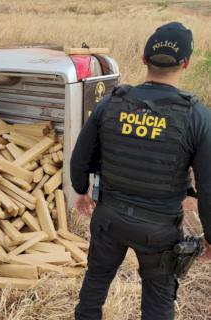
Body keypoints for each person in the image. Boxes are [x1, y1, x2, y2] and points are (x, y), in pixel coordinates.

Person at [70, 22, 211, 320]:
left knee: (95, 284)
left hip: (109, 220)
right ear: (185, 63)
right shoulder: (197, 117)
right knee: (158, 304)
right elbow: (208, 186)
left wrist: (81, 190)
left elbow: (80, 157)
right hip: (158, 231)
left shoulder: (110, 103)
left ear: (144, 59)